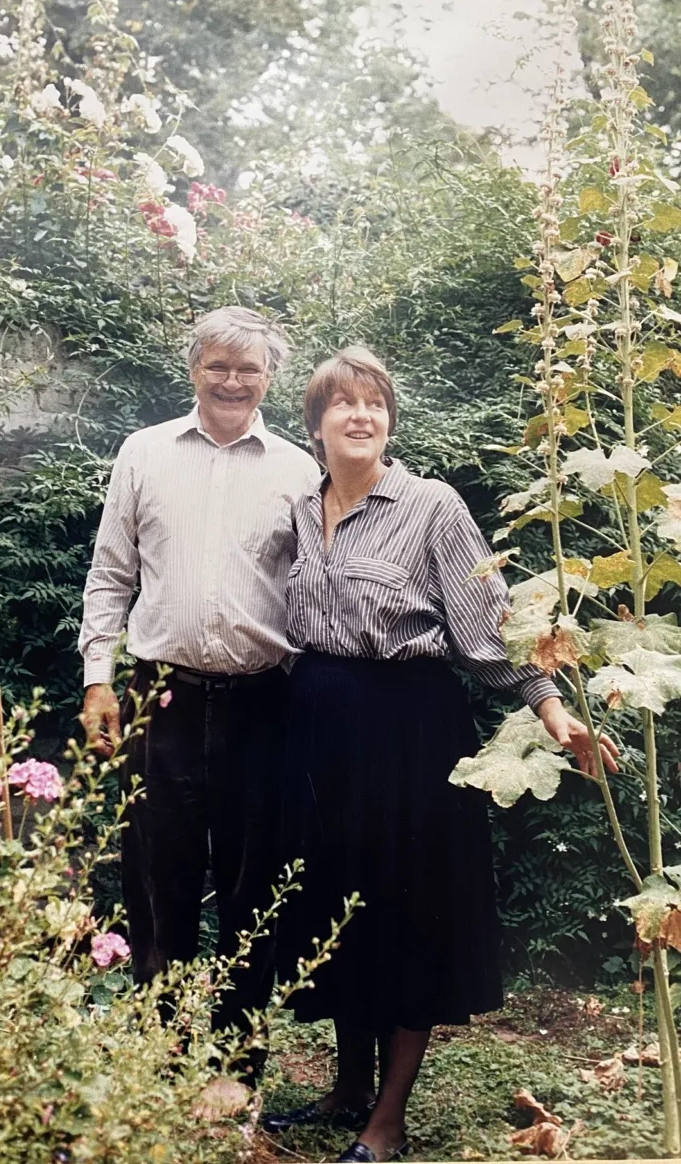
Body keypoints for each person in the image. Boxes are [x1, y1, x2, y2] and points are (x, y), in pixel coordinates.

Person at [264, 347, 619, 1163]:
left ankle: (386, 1119)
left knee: (405, 909)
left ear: (389, 419)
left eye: (375, 403)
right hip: (316, 732)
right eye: (343, 404)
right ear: (313, 424)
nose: (361, 415)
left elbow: (488, 631)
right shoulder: (295, 508)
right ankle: (347, 1088)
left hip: (408, 732)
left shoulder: (432, 506)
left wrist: (554, 711)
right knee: (333, 906)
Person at [78, 306, 320, 1080]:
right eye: (218, 364)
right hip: (161, 698)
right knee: (158, 881)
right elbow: (111, 575)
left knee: (256, 886)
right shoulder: (143, 453)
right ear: (194, 369)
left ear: (270, 378)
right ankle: (163, 1057)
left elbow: (320, 590)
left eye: (249, 368)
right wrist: (98, 682)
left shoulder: (298, 468)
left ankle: (238, 1066)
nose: (233, 380)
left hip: (263, 705)